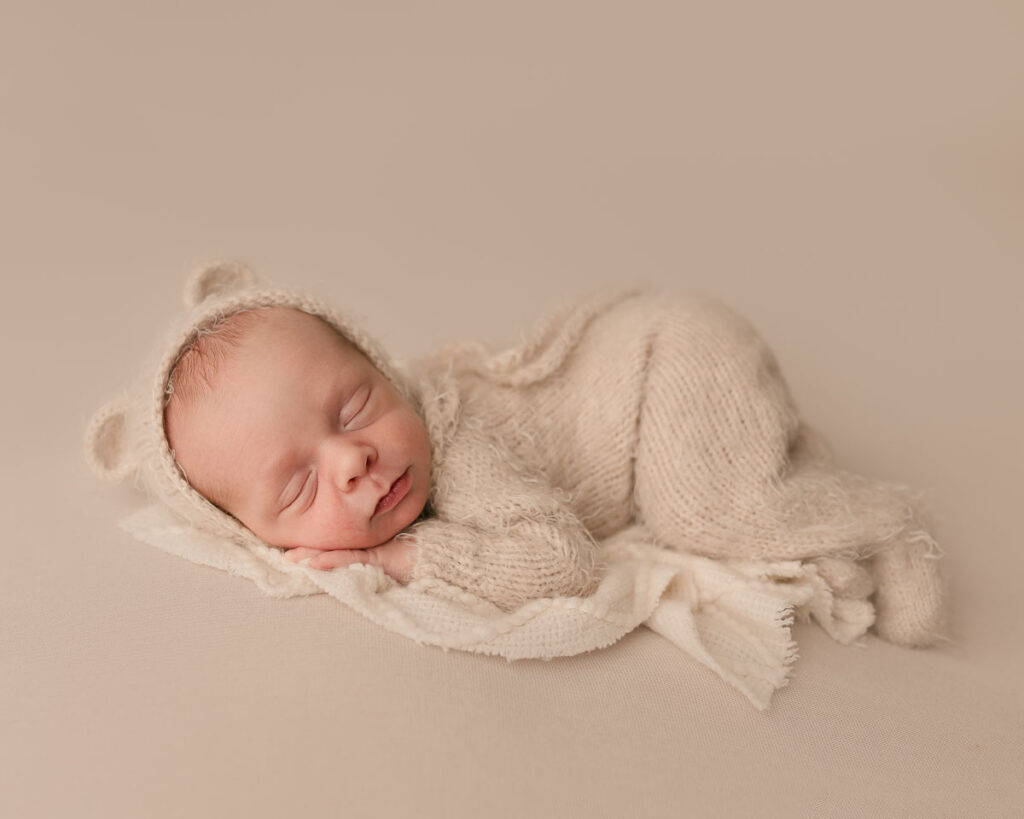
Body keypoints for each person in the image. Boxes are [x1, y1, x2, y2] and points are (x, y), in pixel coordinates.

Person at [84, 261, 948, 647]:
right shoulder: (376, 454)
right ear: (251, 533)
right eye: (301, 483)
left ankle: (890, 522)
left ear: (382, 366)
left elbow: (561, 561)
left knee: (704, 513)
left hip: (664, 362)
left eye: (355, 405)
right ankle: (783, 463)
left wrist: (400, 555)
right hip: (660, 353)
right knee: (729, 473)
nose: (352, 459)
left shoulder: (455, 441)